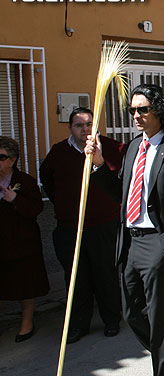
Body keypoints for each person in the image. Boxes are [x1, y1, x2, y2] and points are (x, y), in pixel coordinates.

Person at [85, 83, 164, 376]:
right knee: (132, 312)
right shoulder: (134, 147)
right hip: (131, 241)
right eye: (132, 110)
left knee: (161, 320)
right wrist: (98, 164)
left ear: (159, 111)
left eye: (142, 109)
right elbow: (121, 195)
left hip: (158, 242)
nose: (135, 115)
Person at [40, 108, 125, 343]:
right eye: (79, 125)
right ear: (70, 128)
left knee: (105, 273)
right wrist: (63, 204)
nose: (85, 129)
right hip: (70, 227)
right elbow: (47, 178)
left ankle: (111, 319)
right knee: (76, 278)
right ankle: (79, 324)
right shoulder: (59, 152)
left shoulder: (112, 148)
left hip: (103, 224)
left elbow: (121, 180)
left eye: (89, 125)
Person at [0, 136, 50, 342]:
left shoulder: (25, 181)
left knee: (25, 284)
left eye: (1, 157)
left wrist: (15, 200)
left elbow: (36, 209)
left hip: (21, 243)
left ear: (12, 160)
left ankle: (26, 323)